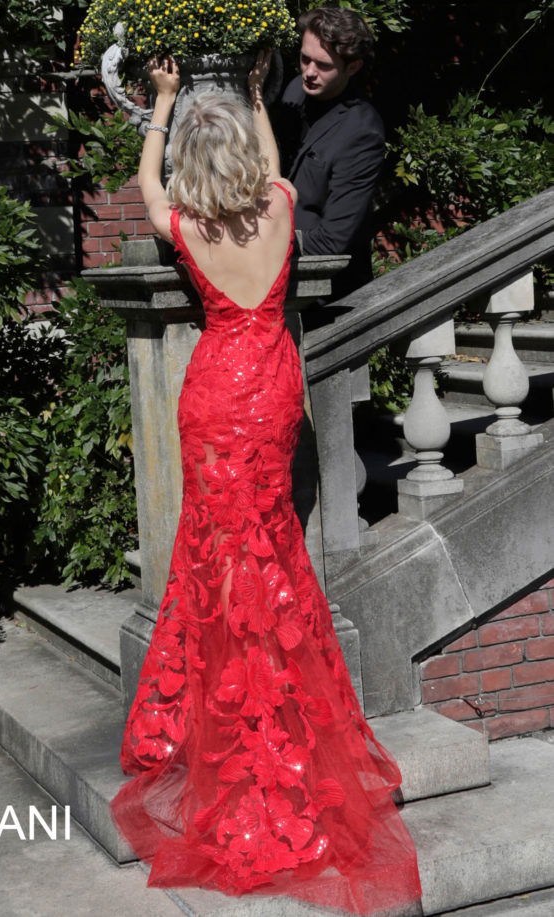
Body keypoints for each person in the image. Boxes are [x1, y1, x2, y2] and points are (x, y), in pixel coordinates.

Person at [110, 53, 422, 915]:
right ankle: (280, 709)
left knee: (218, 550)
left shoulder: (189, 229)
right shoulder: (279, 209)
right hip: (273, 384)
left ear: (196, 170)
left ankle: (223, 713)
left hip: (214, 391)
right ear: (245, 159)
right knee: (272, 545)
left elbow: (146, 178)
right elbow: (278, 168)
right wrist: (254, 99)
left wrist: (167, 102)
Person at [277, 6, 385, 329]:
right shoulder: (295, 90)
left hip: (326, 305)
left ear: (353, 66)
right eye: (305, 59)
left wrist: (265, 240)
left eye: (323, 66)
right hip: (279, 286)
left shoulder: (362, 131)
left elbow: (332, 242)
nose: (309, 72)